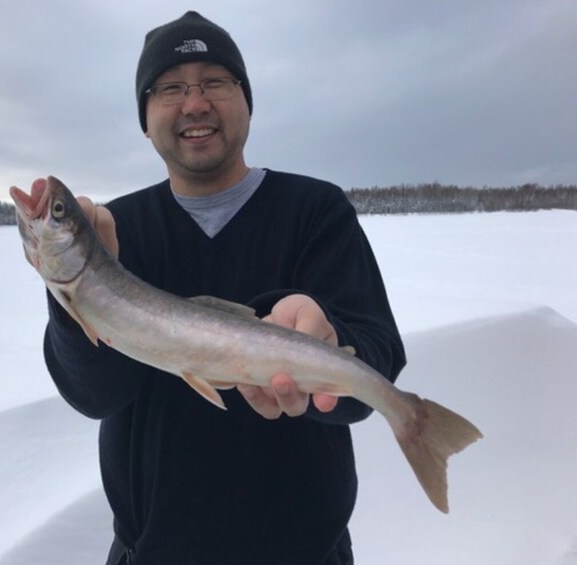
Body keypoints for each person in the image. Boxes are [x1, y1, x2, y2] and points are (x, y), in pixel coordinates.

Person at [31, 11, 406, 565]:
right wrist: (75, 295)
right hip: (152, 552)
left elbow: (375, 358)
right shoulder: (118, 229)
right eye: (171, 88)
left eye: (214, 82)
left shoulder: (316, 211)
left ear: (246, 101)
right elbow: (93, 395)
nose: (195, 102)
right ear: (146, 115)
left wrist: (328, 335)